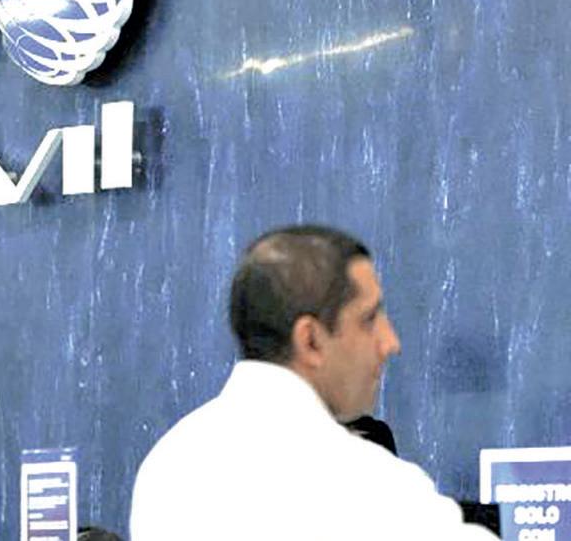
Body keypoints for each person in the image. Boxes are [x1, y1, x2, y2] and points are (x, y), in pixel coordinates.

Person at [128, 225, 496, 540]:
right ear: (311, 340)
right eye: (369, 319)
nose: (390, 342)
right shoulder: (365, 486)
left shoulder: (166, 467)